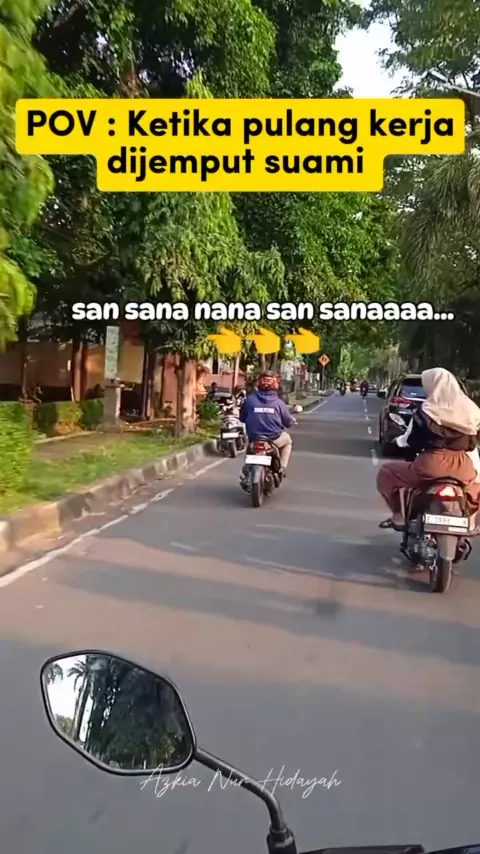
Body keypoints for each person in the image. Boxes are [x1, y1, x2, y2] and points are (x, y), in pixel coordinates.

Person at [377, 367, 480, 531]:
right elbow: (473, 444)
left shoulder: (426, 410)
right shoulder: (472, 411)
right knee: (474, 489)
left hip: (431, 465)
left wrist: (395, 443)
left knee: (387, 472)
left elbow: (409, 441)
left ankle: (399, 516)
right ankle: (471, 522)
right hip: (462, 467)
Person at [239, 372, 293, 476]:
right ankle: (282, 468)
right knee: (288, 441)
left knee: (250, 448)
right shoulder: (279, 403)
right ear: (276, 385)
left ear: (259, 384)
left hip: (254, 438)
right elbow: (288, 422)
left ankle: (248, 467)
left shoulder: (249, 400)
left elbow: (242, 418)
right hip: (274, 438)